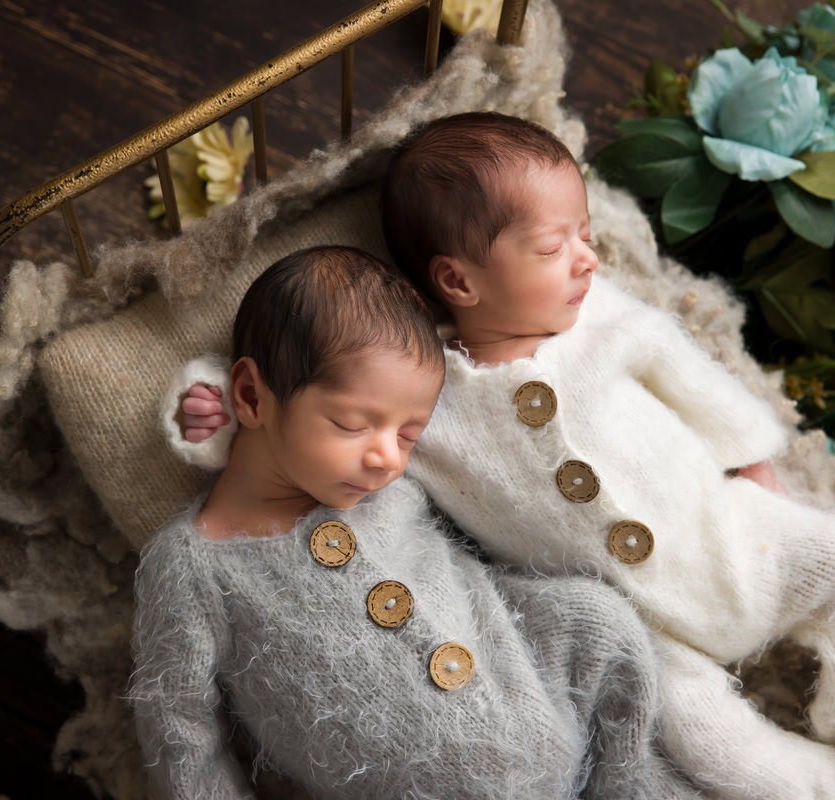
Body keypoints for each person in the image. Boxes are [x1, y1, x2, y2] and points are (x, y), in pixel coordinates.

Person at [176, 113, 835, 800]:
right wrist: (218, 405)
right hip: (649, 630)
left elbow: (697, 384)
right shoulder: (425, 405)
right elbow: (308, 397)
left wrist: (757, 470)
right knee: (708, 742)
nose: (588, 259)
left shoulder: (607, 323)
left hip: (731, 539)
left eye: (585, 235)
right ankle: (831, 787)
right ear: (460, 279)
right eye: (557, 245)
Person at [131, 245, 693, 800]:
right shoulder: (194, 563)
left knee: (600, 621)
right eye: (352, 424)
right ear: (251, 395)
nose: (387, 458)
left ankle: (630, 785)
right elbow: (179, 729)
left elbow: (488, 531)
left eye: (408, 433)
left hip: (534, 692)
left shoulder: (388, 491)